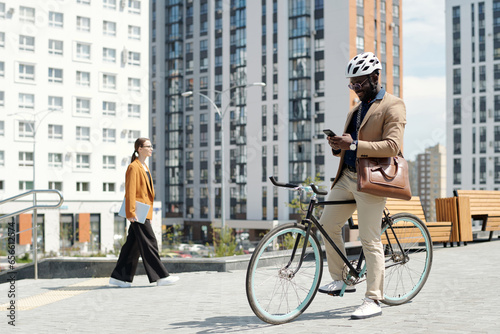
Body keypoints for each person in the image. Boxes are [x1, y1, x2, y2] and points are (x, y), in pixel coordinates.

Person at [318, 52, 406, 319]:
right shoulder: (355, 110)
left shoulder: (394, 105)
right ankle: (342, 278)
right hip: (346, 176)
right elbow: (350, 145)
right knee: (327, 224)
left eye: (360, 83)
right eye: (352, 84)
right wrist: (339, 145)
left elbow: (393, 145)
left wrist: (354, 144)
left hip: (372, 180)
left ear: (375, 77)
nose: (355, 89)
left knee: (369, 239)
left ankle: (374, 300)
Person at [109, 138, 179, 287]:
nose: (151, 148)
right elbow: (131, 191)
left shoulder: (144, 166)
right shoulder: (133, 167)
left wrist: (149, 215)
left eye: (151, 146)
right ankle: (161, 276)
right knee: (150, 242)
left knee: (132, 246)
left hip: (143, 212)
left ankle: (119, 278)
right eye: (148, 146)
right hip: (137, 212)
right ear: (139, 149)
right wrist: (131, 212)